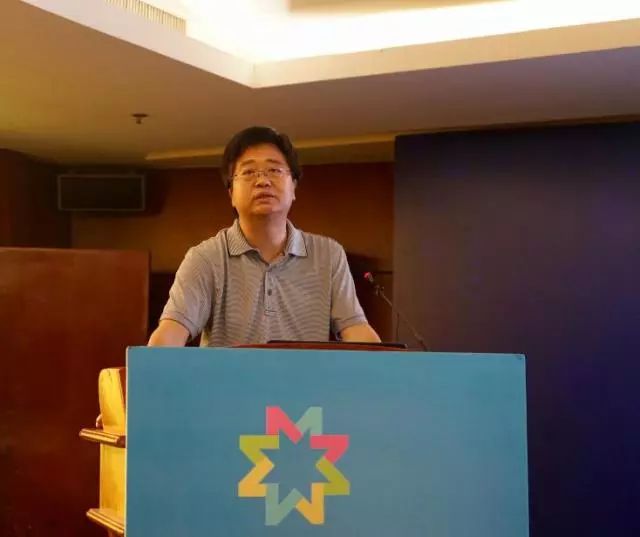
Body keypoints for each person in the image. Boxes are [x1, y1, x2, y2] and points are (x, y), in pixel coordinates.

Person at [148, 126, 380, 347]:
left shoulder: (328, 255)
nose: (263, 181)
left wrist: (387, 364)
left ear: (294, 187)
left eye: (275, 170)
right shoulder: (205, 258)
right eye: (249, 172)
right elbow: (171, 332)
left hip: (303, 378)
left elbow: (356, 329)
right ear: (231, 193)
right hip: (229, 378)